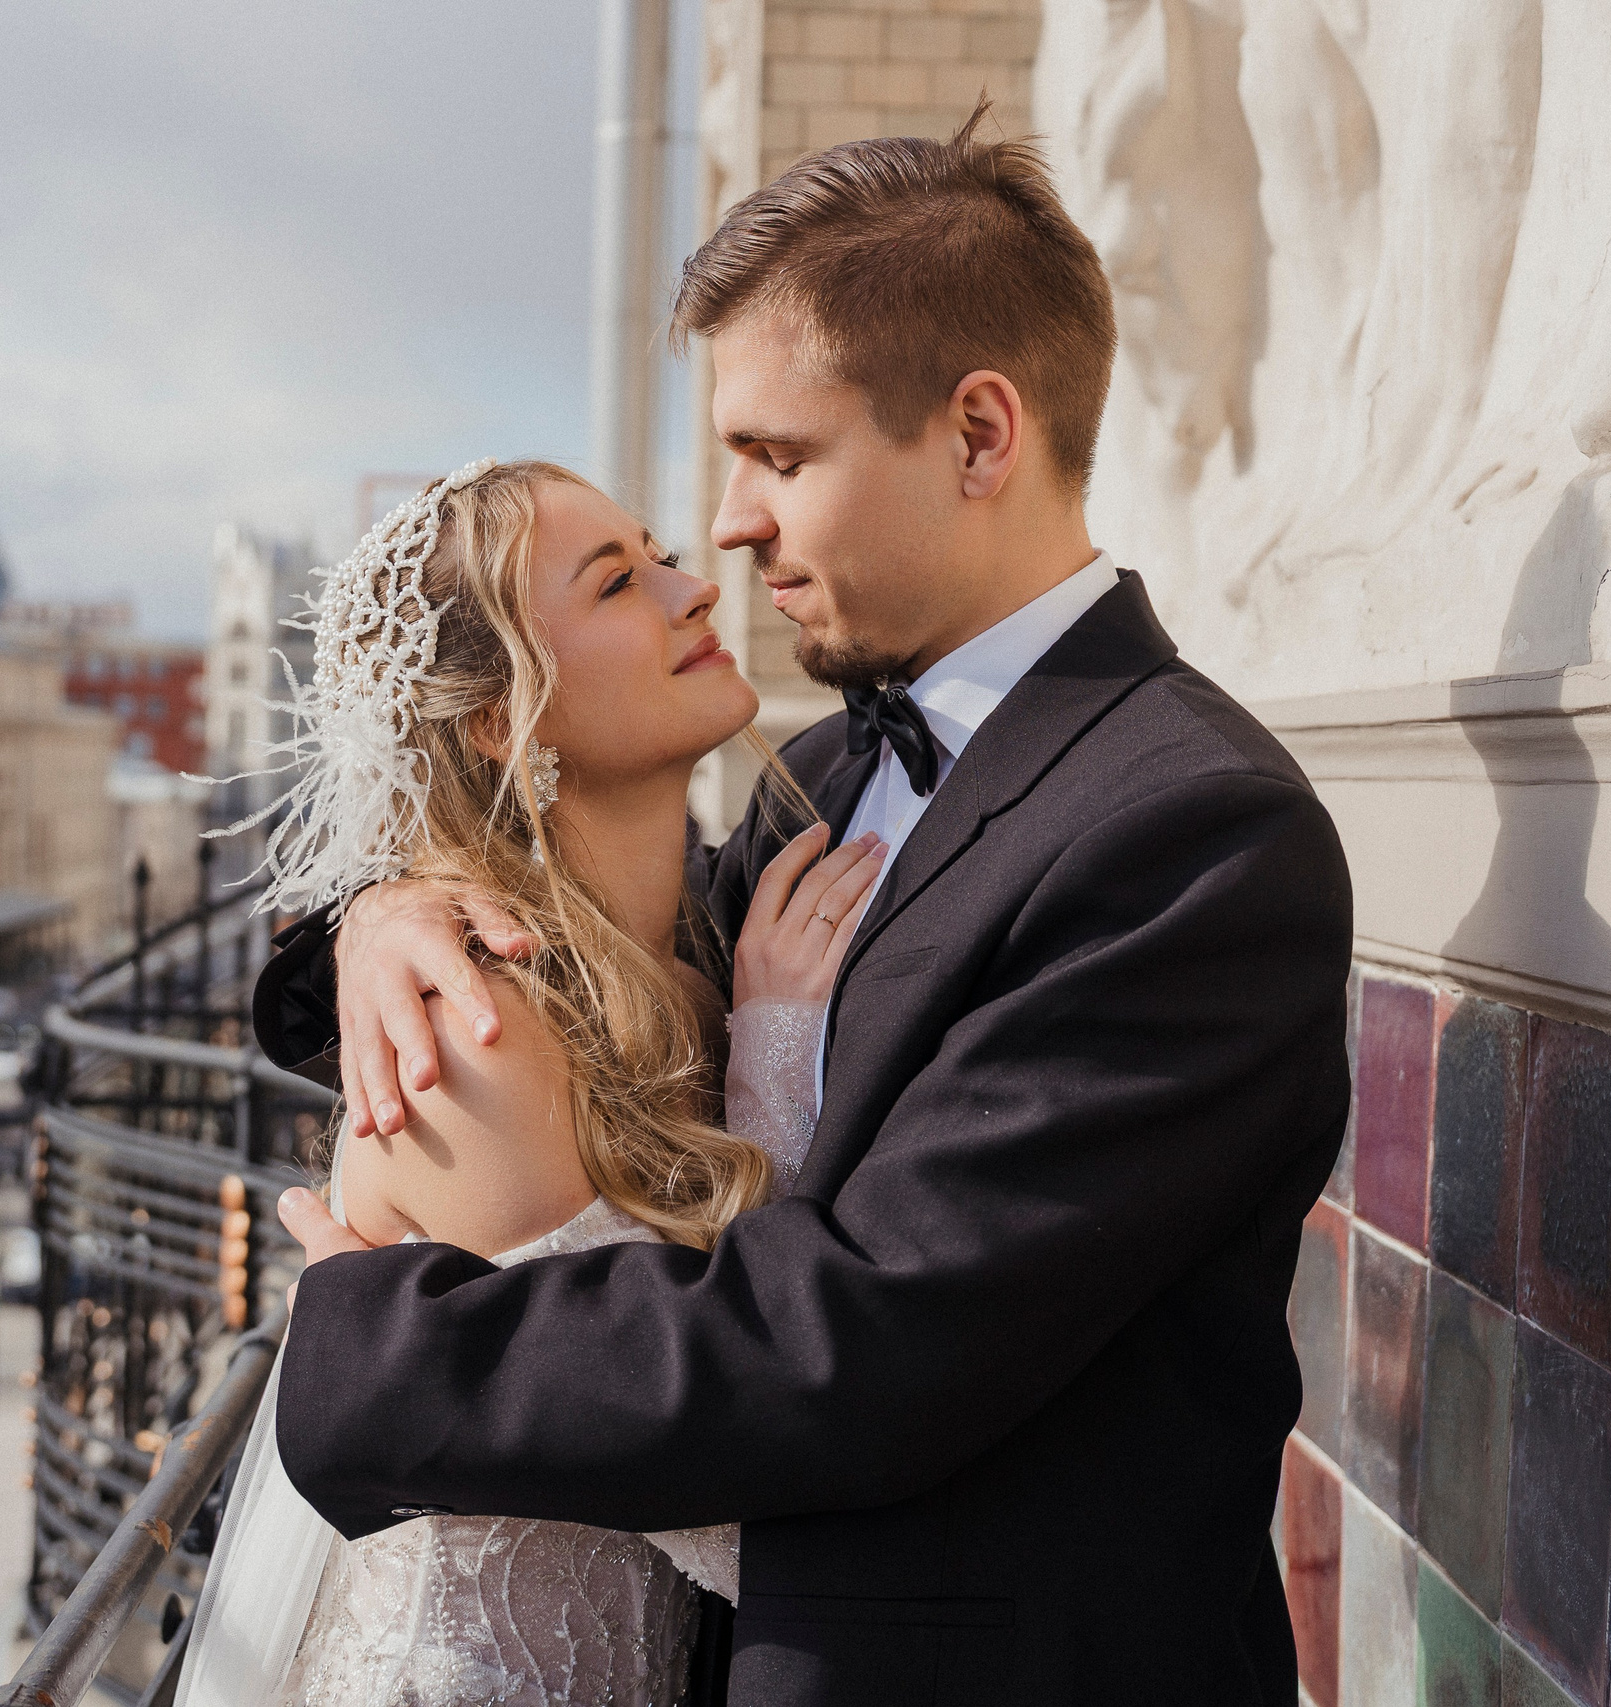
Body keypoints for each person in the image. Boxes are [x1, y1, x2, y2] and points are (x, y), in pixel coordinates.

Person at [254, 109, 1352, 1706]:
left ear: (980, 435)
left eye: (779, 455)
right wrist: (379, 913)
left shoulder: (1192, 831)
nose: (730, 526)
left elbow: (867, 1335)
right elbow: (599, 951)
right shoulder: (819, 777)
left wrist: (380, 1350)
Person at [177, 458, 867, 1706]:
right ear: (503, 720)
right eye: (618, 583)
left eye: (657, 554)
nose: (695, 590)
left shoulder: (698, 965)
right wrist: (776, 1063)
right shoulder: (471, 1028)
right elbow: (703, 1474)